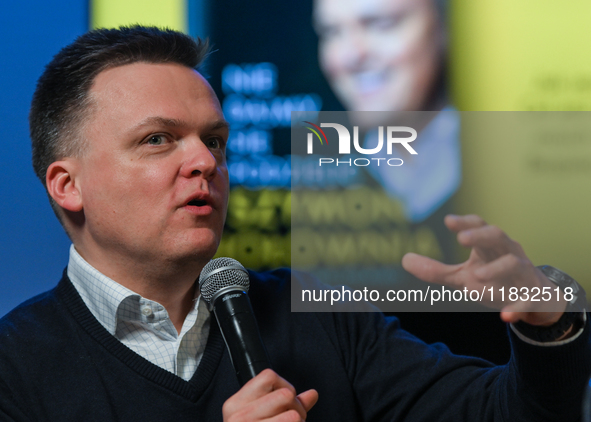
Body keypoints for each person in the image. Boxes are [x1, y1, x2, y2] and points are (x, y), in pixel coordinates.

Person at [0, 26, 589, 422]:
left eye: (215, 140)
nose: (206, 161)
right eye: (158, 140)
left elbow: (515, 412)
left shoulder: (323, 318)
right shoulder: (14, 369)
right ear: (66, 185)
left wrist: (546, 319)